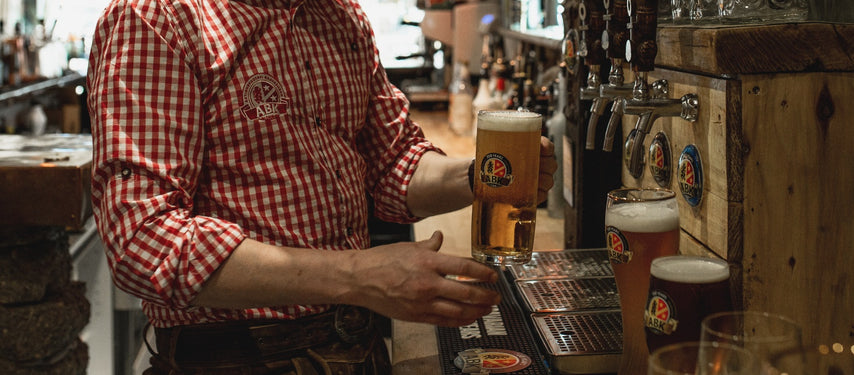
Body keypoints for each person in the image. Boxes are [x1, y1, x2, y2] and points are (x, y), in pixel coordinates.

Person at [86, 0, 557, 373]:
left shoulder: (340, 16)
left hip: (356, 345)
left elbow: (393, 164)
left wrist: (481, 176)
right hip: (237, 357)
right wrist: (359, 276)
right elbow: (143, 243)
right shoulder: (155, 18)